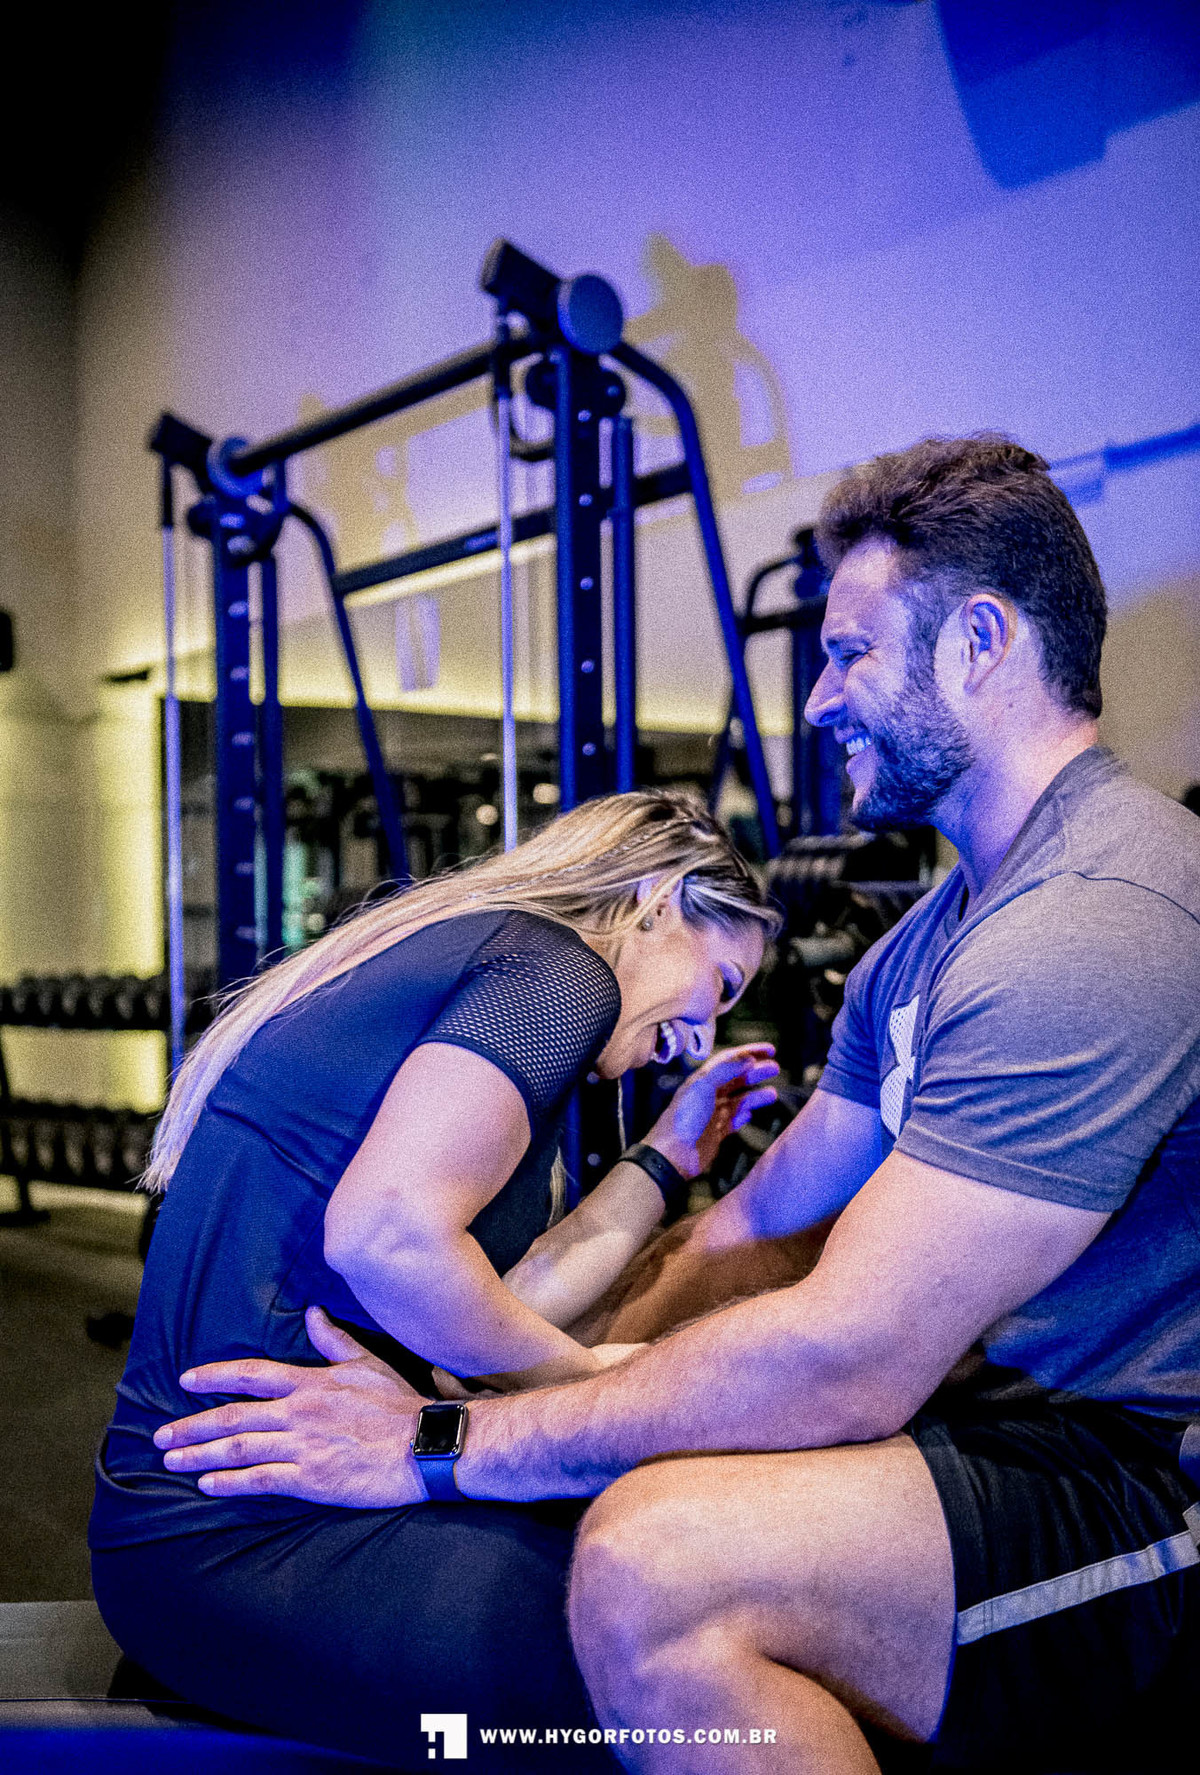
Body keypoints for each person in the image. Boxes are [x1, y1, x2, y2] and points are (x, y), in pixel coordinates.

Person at [149, 436, 1200, 1775]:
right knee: (609, 1484)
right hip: (998, 1422)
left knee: (655, 1563)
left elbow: (848, 1353)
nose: (819, 696)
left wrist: (451, 1437)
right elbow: (751, 1228)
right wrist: (563, 1394)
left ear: (981, 641)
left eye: (852, 652)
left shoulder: (1098, 918)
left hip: (1133, 1475)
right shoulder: (923, 946)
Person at [89, 790, 781, 1771]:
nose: (704, 1033)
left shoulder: (497, 959)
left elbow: (496, 1299)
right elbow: (390, 1239)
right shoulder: (559, 971)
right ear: (657, 900)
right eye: (720, 982)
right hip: (243, 1530)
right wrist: (595, 1391)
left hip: (248, 1512)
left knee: (682, 1580)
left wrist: (668, 1155)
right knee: (684, 1669)